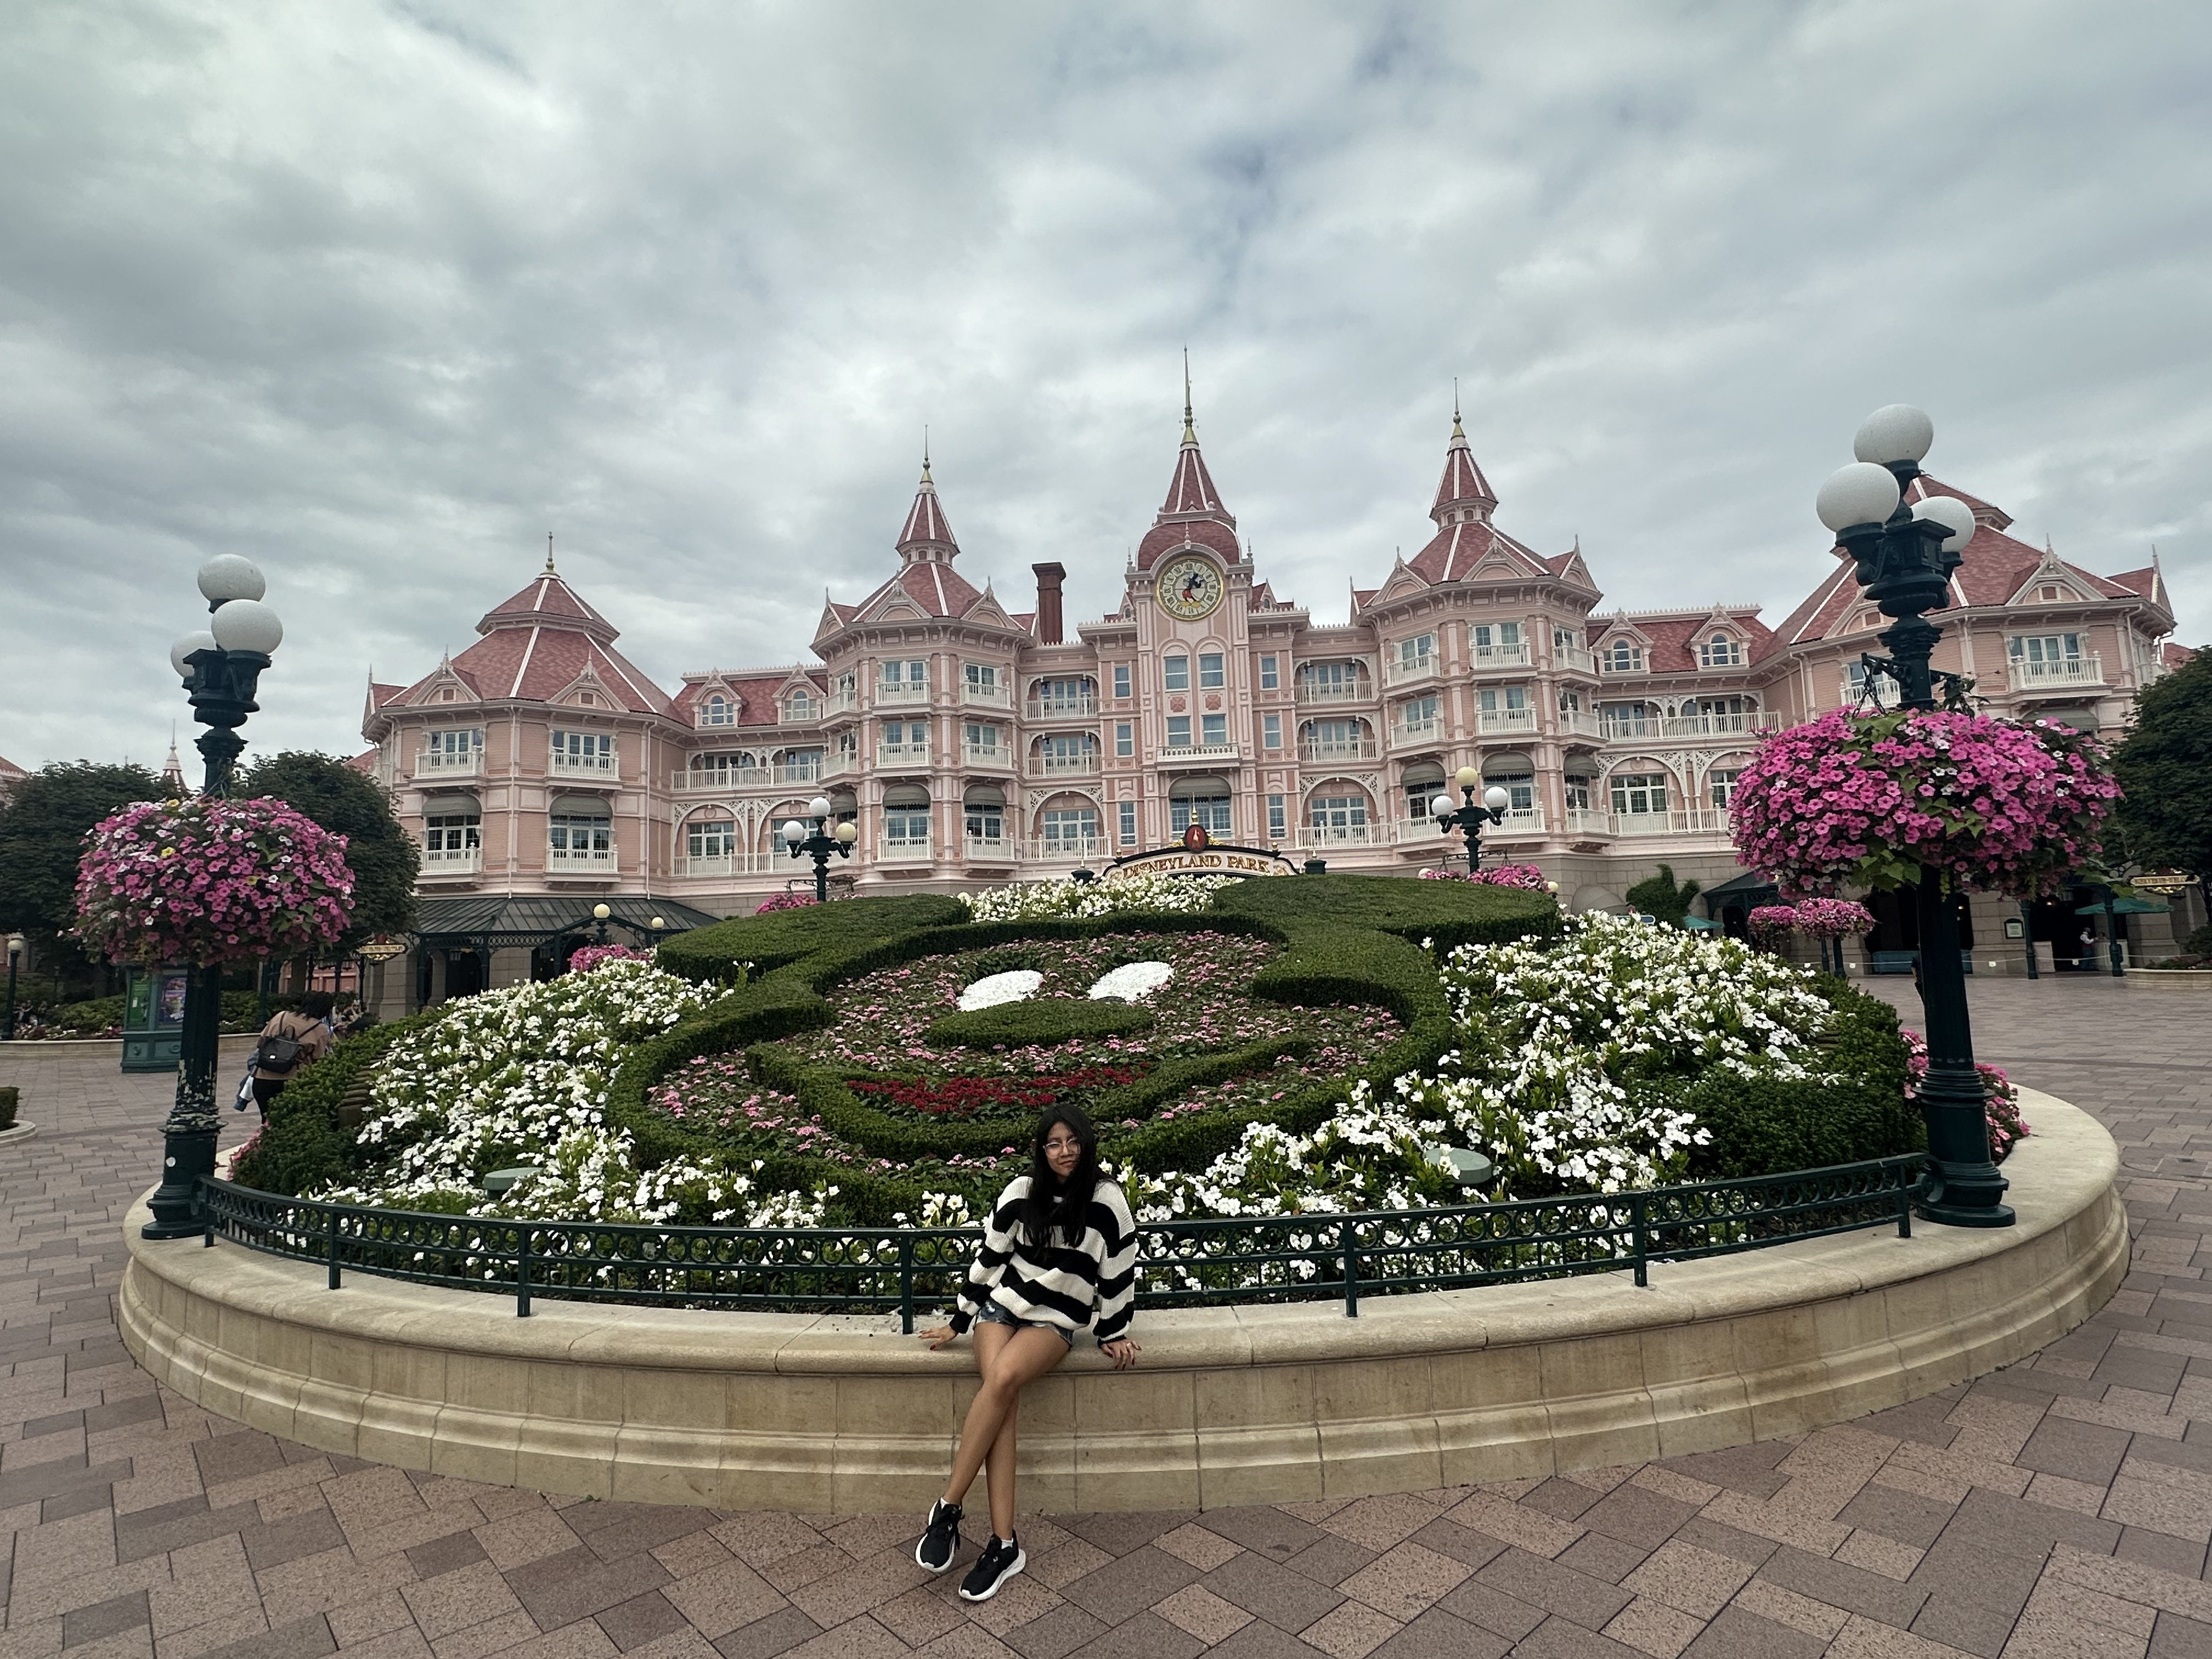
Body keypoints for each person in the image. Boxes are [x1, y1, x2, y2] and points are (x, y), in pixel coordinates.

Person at [913, 1104, 1139, 1602]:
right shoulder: (1020, 1193)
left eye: (1073, 1142)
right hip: (1002, 1308)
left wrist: (1113, 1330)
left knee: (1000, 1383)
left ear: (1086, 1144)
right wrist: (958, 1319)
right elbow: (990, 1258)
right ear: (1041, 1149)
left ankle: (949, 1506)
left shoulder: (1107, 1201)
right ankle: (1004, 1545)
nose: (1065, 1152)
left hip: (1054, 1323)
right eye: (1054, 1143)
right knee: (1004, 1401)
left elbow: (1119, 1271)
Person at [251, 991, 335, 1118]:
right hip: (293, 1081)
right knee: (287, 1121)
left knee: (266, 1121)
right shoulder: (320, 1029)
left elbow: (261, 1042)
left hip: (263, 1078)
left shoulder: (281, 1016)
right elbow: (318, 1059)